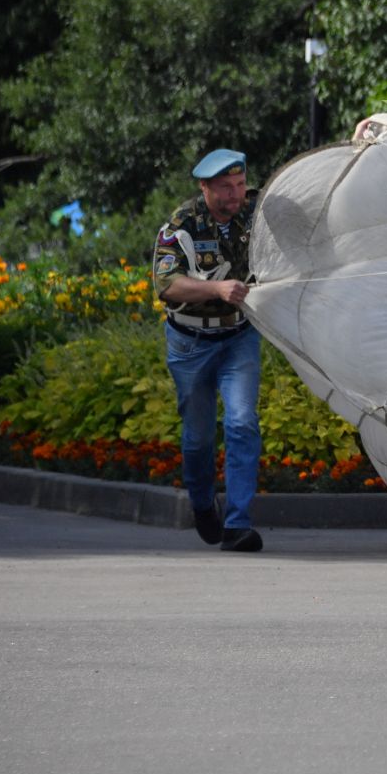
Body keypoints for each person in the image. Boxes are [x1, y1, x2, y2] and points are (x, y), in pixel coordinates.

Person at [153, 149, 266, 553]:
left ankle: (237, 523)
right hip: (190, 343)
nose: (235, 195)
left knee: (241, 423)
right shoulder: (180, 226)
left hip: (238, 337)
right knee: (199, 439)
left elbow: (306, 199)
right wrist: (216, 289)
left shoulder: (256, 210)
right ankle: (203, 503)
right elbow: (166, 284)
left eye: (239, 185)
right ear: (204, 188)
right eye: (224, 188)